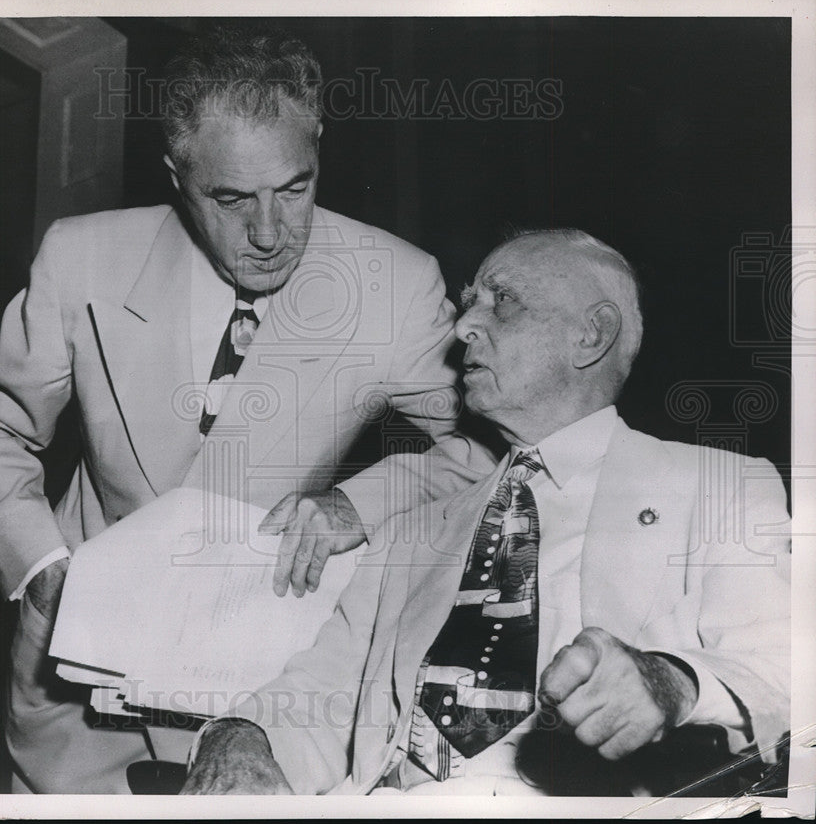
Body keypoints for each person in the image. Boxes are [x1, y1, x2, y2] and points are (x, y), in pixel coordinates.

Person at [0, 27, 493, 794]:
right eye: (231, 198)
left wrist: (360, 502)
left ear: (319, 149)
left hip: (258, 694)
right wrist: (39, 566)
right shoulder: (82, 258)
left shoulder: (396, 285)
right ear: (177, 173)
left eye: (294, 188)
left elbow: (488, 455)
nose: (268, 234)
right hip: (73, 685)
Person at [181, 229, 791, 796]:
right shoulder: (411, 533)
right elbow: (318, 696)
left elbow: (786, 673)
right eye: (467, 303)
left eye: (502, 302)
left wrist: (670, 681)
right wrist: (237, 736)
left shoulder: (721, 487)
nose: (465, 325)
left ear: (591, 335)